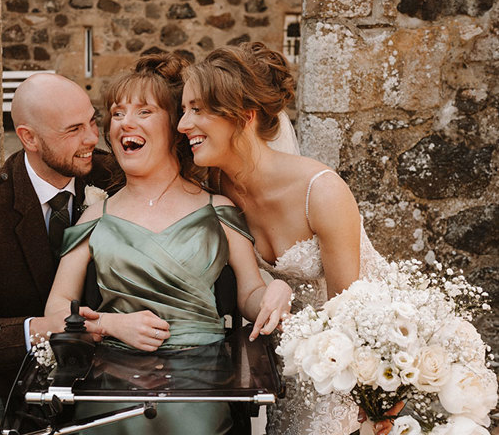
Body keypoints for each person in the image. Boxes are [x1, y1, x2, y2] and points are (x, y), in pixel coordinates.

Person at [45, 53, 293, 434]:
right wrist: (112, 324)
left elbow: (250, 294)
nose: (125, 122)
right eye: (116, 113)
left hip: (205, 377)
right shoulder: (96, 217)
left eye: (144, 111)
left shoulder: (218, 210)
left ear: (175, 126)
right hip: (111, 378)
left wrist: (275, 291)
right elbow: (56, 308)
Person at [177, 42, 400, 435]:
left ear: (243, 116)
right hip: (287, 369)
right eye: (183, 110)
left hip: (355, 363)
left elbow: (348, 316)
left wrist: (372, 403)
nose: (183, 125)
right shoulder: (214, 186)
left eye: (197, 109)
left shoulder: (321, 191)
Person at [0, 73, 116, 435]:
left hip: (98, 366)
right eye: (73, 129)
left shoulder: (113, 177)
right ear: (29, 138)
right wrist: (41, 330)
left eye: (93, 121)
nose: (92, 138)